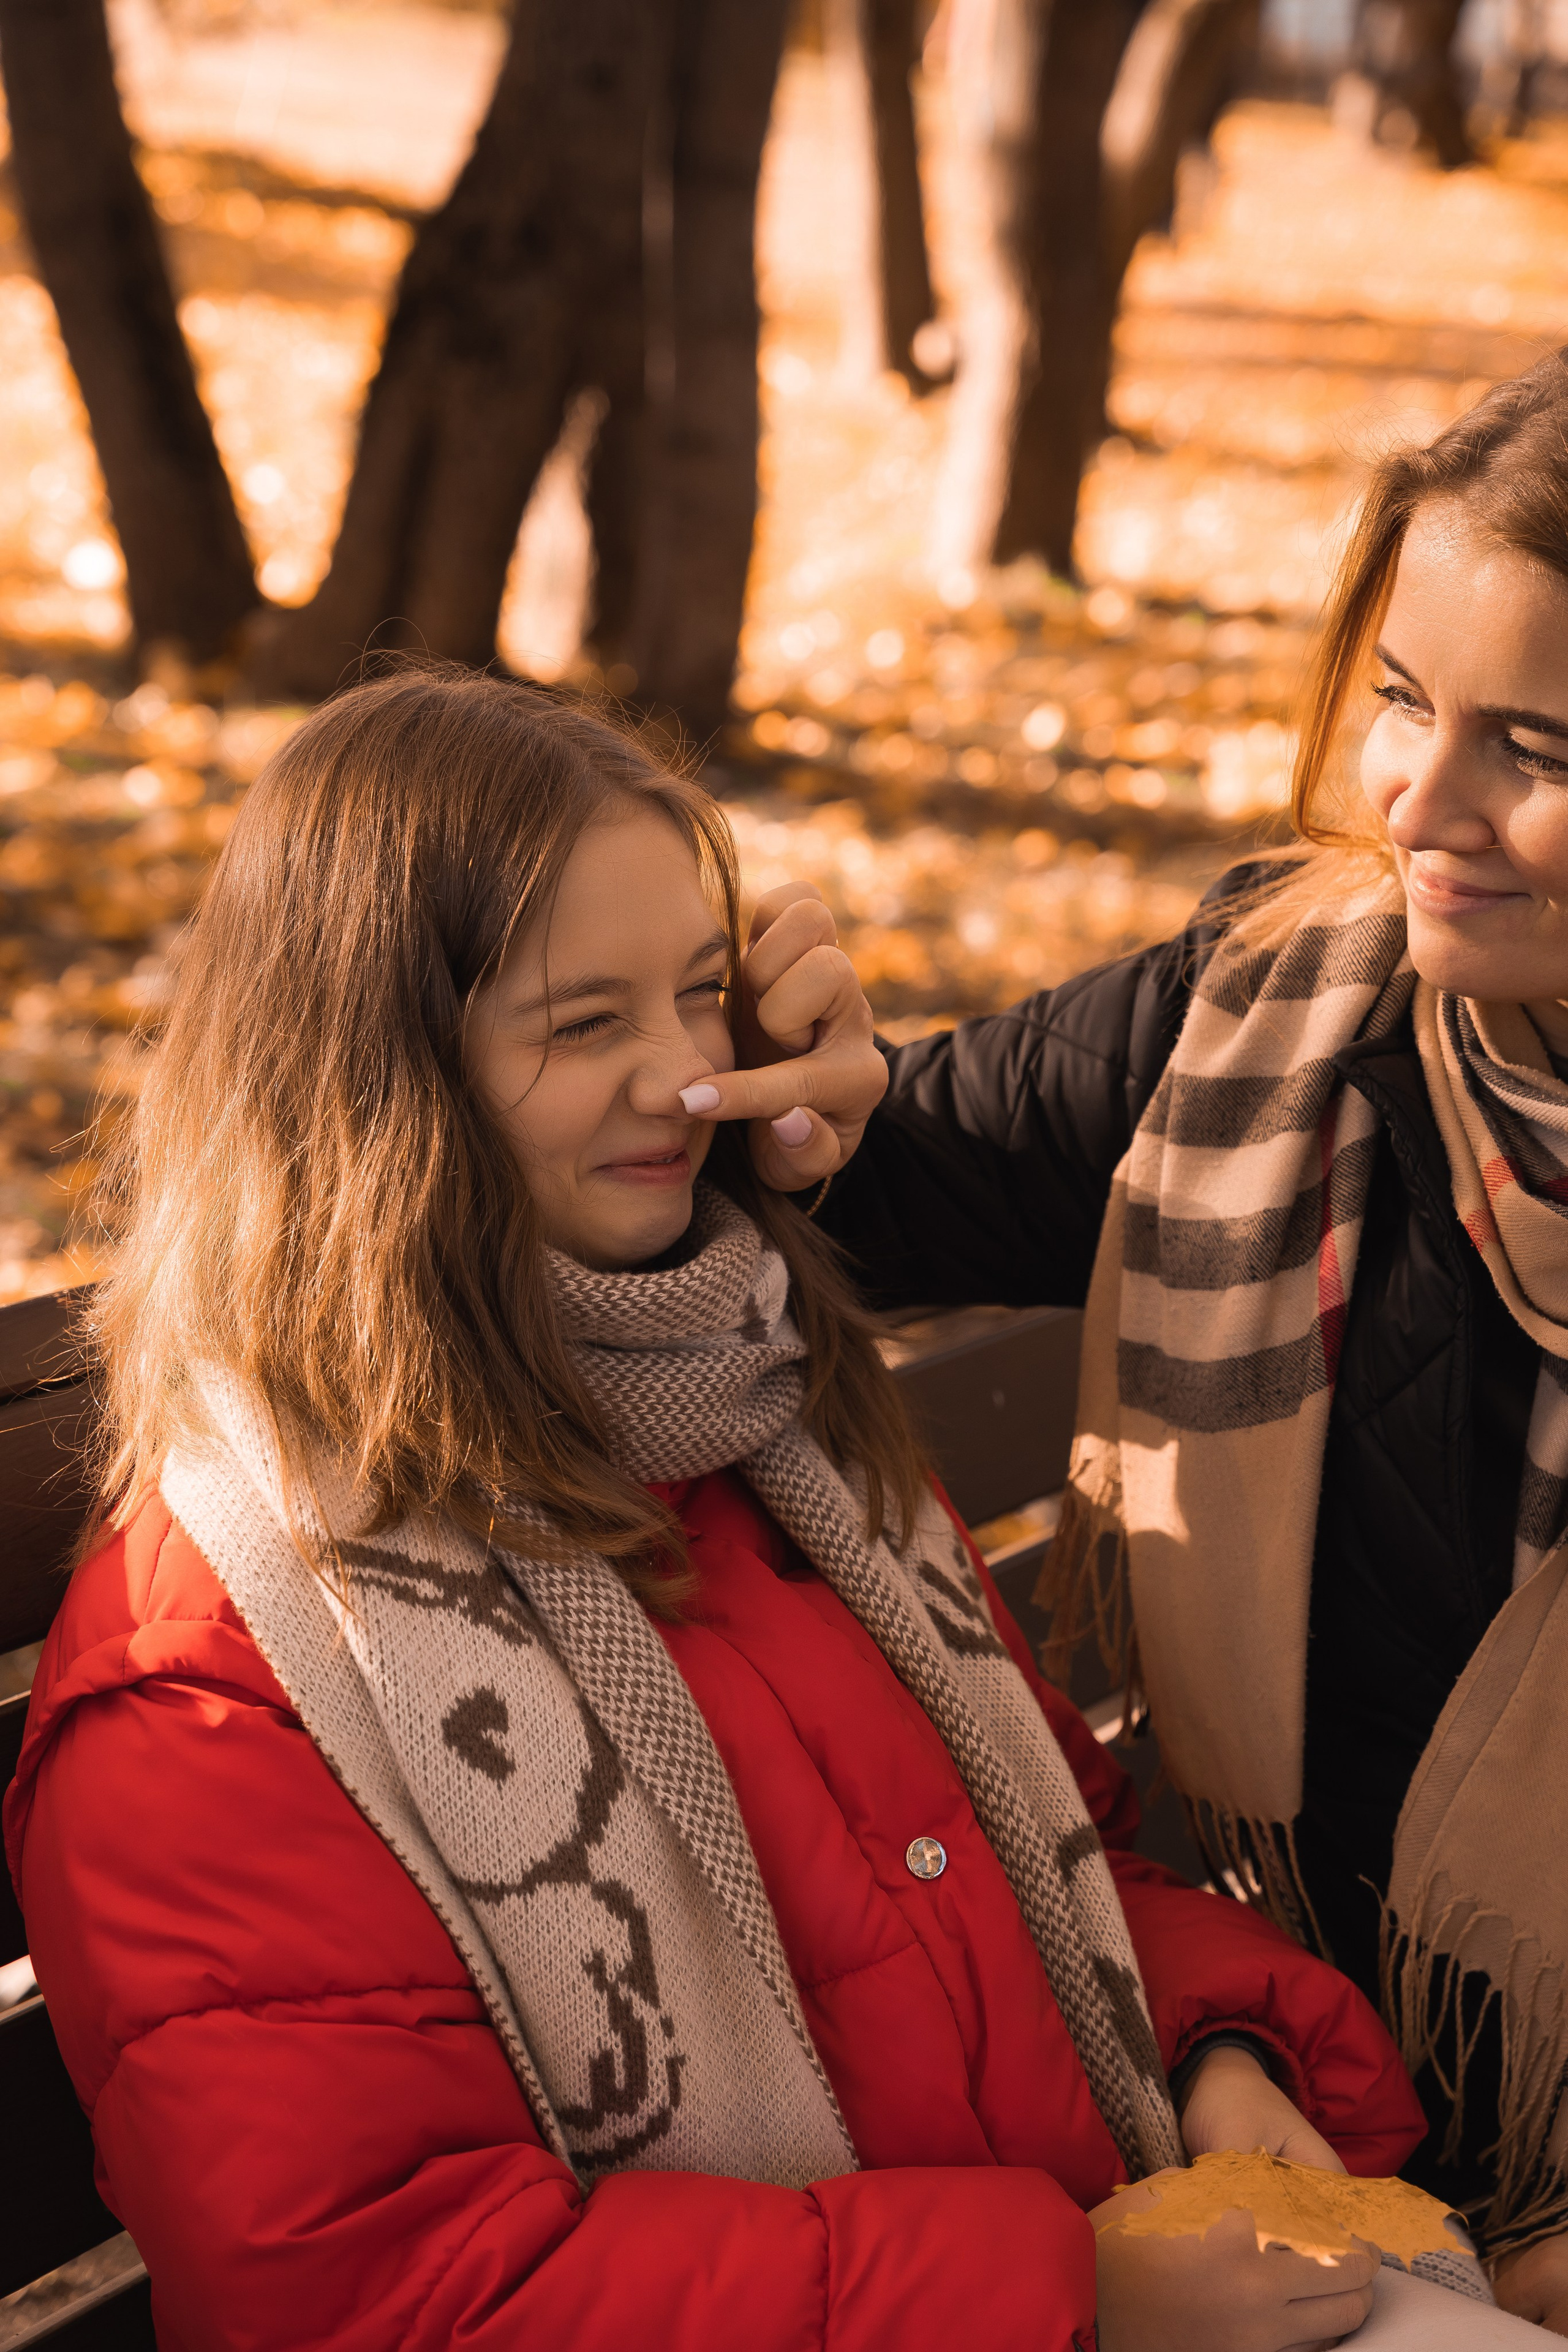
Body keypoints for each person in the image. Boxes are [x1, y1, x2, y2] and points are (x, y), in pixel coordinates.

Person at [6, 670, 1427, 2352]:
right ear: (381, 1091)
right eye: (585, 1022)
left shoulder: (766, 1425)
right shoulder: (228, 1662)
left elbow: (1063, 1870)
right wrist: (1062, 2303)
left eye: (700, 996)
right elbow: (372, 2296)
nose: (690, 1076)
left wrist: (1215, 2052)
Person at [706, 350, 1568, 2334]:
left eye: (1538, 744)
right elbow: (880, 1166)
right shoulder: (1270, 1012)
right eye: (1407, 705)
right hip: (1324, 2147)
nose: (1424, 808)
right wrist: (781, 1068)